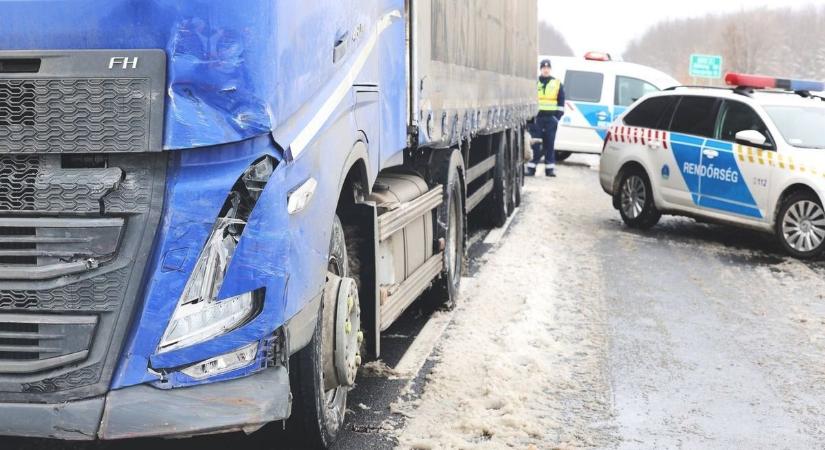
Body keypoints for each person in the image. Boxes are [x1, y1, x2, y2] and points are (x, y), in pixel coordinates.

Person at [527, 59, 565, 177]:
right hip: (536, 119)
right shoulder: (534, 83)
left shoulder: (557, 83)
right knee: (535, 145)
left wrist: (556, 118)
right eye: (543, 68)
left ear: (550, 69)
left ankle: (549, 170)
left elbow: (561, 102)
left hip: (550, 120)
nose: (546, 70)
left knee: (549, 144)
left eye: (548, 68)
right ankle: (531, 168)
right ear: (540, 69)